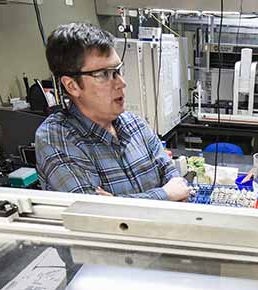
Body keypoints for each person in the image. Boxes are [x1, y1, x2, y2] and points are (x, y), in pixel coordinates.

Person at [35, 23, 190, 201]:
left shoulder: (135, 125)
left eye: (117, 70)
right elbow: (94, 214)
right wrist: (165, 194)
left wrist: (118, 201)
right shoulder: (56, 138)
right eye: (103, 74)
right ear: (72, 85)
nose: (121, 83)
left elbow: (175, 180)